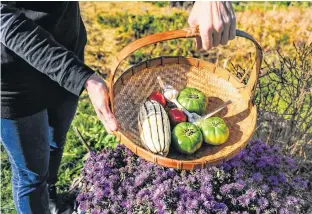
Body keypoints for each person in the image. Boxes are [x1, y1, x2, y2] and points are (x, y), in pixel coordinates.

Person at [0, 1, 236, 214]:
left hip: (66, 49)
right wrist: (81, 77)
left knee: (55, 140)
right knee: (30, 175)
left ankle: (51, 199)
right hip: (14, 82)